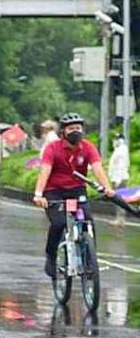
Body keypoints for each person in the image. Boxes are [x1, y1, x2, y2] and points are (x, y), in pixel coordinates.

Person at [33, 112, 113, 278]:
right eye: (71, 129)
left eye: (78, 128)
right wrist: (39, 194)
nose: (75, 131)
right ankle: (51, 256)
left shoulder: (88, 147)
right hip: (54, 192)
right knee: (59, 223)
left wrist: (107, 188)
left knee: (87, 220)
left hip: (77, 191)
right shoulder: (52, 148)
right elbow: (44, 171)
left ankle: (90, 260)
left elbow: (98, 168)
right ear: (63, 132)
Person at [109, 134, 130, 225]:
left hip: (119, 178)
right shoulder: (119, 149)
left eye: (116, 139)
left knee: (119, 199)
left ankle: (120, 220)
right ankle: (120, 219)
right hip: (118, 177)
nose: (115, 141)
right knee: (119, 199)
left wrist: (118, 180)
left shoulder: (121, 150)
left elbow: (121, 166)